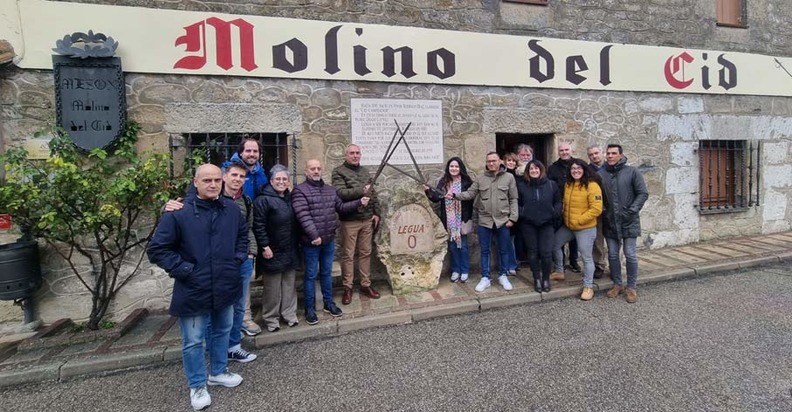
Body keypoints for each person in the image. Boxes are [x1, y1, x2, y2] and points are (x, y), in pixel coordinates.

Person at [147, 164, 248, 411]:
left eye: (216, 180)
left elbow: (242, 238)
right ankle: (197, 385)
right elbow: (157, 249)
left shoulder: (232, 210)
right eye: (207, 180)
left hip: (225, 285)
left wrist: (236, 260)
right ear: (196, 182)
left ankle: (218, 371)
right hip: (193, 287)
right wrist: (185, 270)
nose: (213, 185)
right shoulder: (178, 213)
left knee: (222, 330)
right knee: (193, 341)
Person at [164, 162, 261, 359]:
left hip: (237, 262)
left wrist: (246, 255)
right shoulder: (208, 197)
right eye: (234, 175)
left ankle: (233, 346)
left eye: (242, 177)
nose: (237, 179)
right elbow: (179, 215)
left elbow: (247, 230)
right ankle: (214, 350)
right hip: (209, 266)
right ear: (226, 177)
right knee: (211, 310)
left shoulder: (246, 201)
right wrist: (164, 207)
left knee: (238, 306)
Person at [293, 159, 368, 325]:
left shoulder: (329, 190)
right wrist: (314, 235)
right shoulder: (300, 191)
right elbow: (302, 215)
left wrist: (358, 203)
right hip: (311, 243)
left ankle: (329, 303)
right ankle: (310, 309)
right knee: (311, 276)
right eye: (312, 168)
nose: (316, 171)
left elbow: (340, 207)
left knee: (326, 274)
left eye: (318, 168)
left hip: (328, 240)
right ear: (306, 171)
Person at [452, 152, 518, 293]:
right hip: (485, 221)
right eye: (489, 161)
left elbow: (513, 199)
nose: (491, 163)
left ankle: (503, 275)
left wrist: (513, 218)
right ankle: (485, 277)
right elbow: (470, 193)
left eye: (494, 160)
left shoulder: (509, 178)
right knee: (485, 251)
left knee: (504, 250)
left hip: (502, 220)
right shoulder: (480, 178)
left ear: (500, 161)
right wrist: (454, 195)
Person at [332, 144, 382, 305]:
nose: (355, 156)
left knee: (366, 253)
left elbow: (372, 193)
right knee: (348, 255)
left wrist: (376, 212)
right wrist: (362, 190)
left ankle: (365, 285)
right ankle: (347, 287)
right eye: (352, 153)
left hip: (367, 219)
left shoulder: (365, 171)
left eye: (357, 153)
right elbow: (341, 193)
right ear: (346, 155)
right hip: (350, 220)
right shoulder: (338, 172)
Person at [599, 144, 649, 303]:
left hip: (629, 220)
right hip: (610, 221)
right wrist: (604, 211)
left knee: (630, 254)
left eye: (614, 153)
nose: (610, 156)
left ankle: (631, 287)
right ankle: (617, 284)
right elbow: (596, 196)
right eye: (608, 153)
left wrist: (632, 210)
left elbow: (642, 193)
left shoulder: (632, 172)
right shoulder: (600, 174)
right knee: (613, 254)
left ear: (621, 155)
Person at [253, 165, 299, 332]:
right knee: (272, 288)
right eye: (278, 179)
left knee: (289, 285)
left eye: (284, 179)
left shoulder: (289, 198)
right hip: (272, 249)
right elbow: (258, 225)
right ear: (271, 181)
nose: (281, 182)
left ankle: (289, 314)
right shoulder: (262, 200)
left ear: (288, 182)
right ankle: (271, 319)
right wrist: (265, 246)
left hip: (289, 248)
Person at [551, 159, 603, 301]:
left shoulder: (592, 186)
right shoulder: (569, 184)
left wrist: (579, 220)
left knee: (586, 257)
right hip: (569, 226)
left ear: (584, 170)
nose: (576, 171)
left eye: (578, 168)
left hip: (585, 227)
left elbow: (596, 209)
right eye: (573, 169)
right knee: (554, 244)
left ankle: (588, 286)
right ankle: (559, 271)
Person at [423, 157, 474, 283]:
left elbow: (470, 199)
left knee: (463, 246)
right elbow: (436, 197)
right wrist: (428, 191)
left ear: (460, 168)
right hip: (449, 220)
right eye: (451, 166)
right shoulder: (444, 181)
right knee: (452, 247)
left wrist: (466, 218)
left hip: (461, 218)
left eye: (456, 166)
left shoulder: (466, 182)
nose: (454, 169)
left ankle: (465, 270)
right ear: (448, 168)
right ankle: (456, 270)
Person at [516, 160, 561, 293]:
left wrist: (554, 212)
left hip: (547, 224)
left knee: (546, 253)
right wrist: (522, 212)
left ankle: (546, 278)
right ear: (527, 172)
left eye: (536, 169)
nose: (534, 171)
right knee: (533, 252)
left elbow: (558, 201)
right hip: (528, 224)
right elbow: (516, 203)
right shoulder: (522, 186)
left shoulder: (551, 185)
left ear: (541, 170)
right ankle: (536, 278)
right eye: (531, 169)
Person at [547, 142, 581, 275]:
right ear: (558, 152)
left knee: (575, 237)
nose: (564, 152)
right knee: (559, 236)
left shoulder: (578, 165)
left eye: (567, 150)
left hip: (575, 205)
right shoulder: (553, 168)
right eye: (562, 150)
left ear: (571, 150)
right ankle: (559, 264)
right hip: (559, 206)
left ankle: (573, 261)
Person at [587, 144, 608, 279]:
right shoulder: (588, 171)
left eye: (596, 153)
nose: (594, 156)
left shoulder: (612, 168)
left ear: (602, 153)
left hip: (612, 209)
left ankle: (616, 265)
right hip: (597, 210)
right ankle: (599, 265)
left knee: (614, 240)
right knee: (597, 240)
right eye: (591, 155)